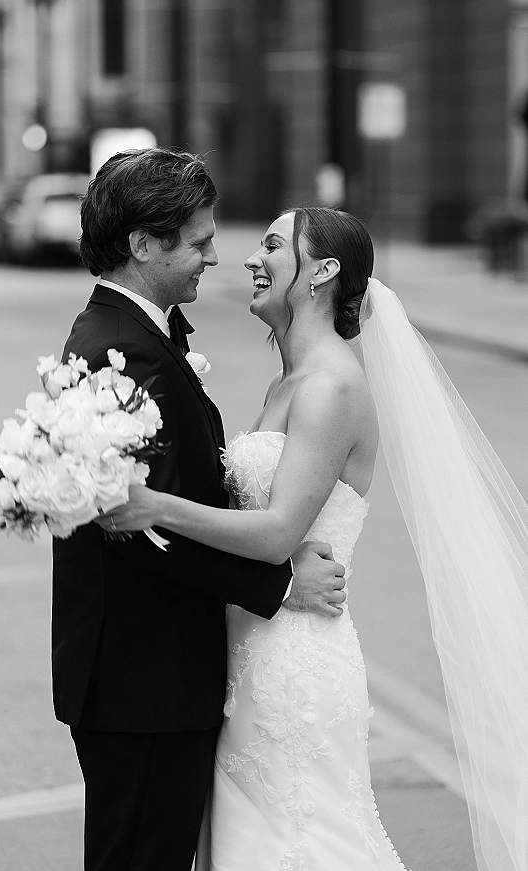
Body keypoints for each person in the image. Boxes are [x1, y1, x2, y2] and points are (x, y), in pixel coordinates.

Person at [101, 206, 528, 871]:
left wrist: (153, 505)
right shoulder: (287, 383)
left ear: (322, 271)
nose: (248, 257)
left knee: (303, 844)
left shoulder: (330, 386)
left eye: (273, 244)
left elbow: (276, 536)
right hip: (252, 647)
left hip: (295, 665)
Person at [52, 148, 347, 871]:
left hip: (144, 676)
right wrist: (280, 584)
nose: (215, 256)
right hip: (143, 682)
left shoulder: (132, 341)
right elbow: (144, 527)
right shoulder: (122, 355)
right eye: (200, 241)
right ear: (143, 244)